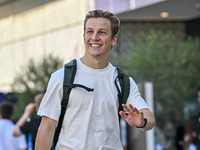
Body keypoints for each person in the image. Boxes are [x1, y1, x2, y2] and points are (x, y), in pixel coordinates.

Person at [35, 9, 156, 150]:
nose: (95, 37)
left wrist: (141, 122)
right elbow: (47, 129)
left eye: (102, 32)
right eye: (90, 31)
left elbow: (150, 119)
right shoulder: (61, 77)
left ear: (114, 39)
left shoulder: (123, 82)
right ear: (84, 36)